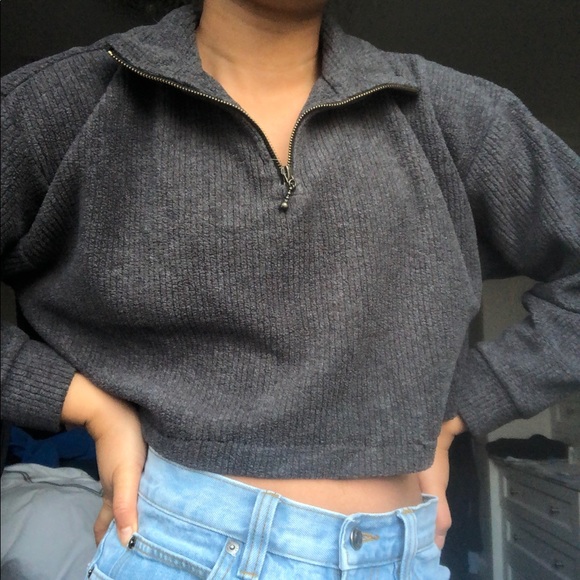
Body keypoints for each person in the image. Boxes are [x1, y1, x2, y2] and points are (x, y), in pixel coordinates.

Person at [1, 0, 578, 577]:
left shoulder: (452, 115)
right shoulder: (68, 104)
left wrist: (462, 406)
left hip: (401, 555)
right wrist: (86, 405)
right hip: (173, 547)